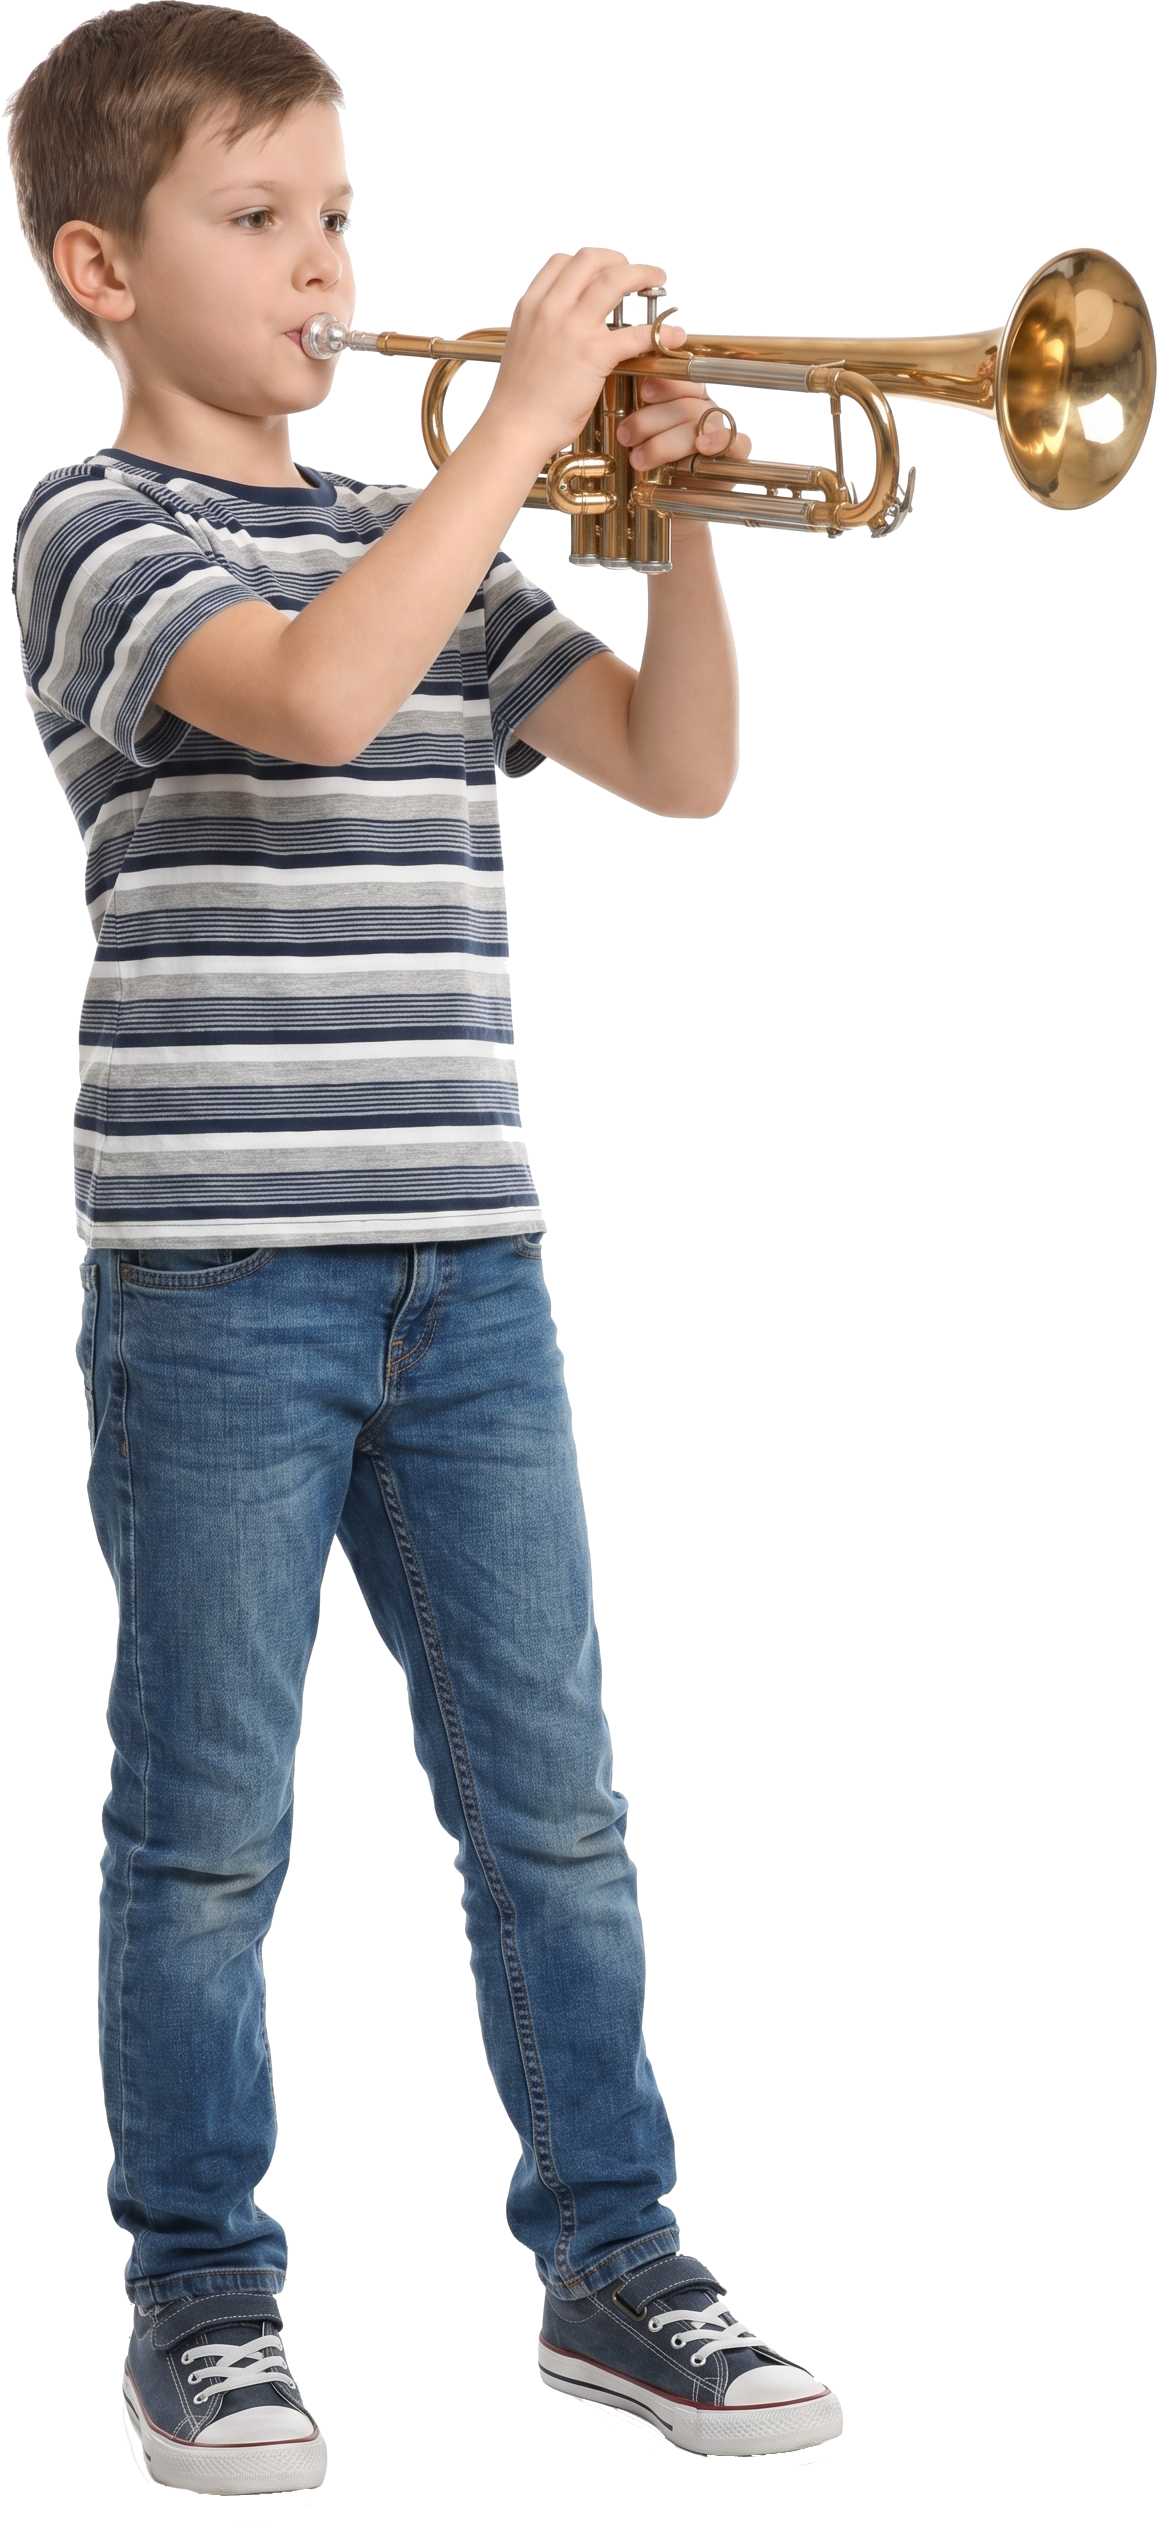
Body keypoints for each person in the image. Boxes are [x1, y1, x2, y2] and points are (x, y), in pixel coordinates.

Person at [8, 3, 843, 2495]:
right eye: (254, 221)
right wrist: (504, 439)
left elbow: (677, 775)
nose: (325, 266)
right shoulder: (96, 531)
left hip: (461, 1267)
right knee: (209, 1825)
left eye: (340, 214)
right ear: (98, 272)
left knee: (553, 1808)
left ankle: (614, 2254)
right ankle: (203, 2293)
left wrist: (670, 505)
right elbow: (308, 691)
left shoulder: (432, 535)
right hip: (222, 1280)